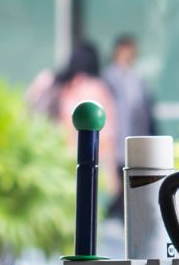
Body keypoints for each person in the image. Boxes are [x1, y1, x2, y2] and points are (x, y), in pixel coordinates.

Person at [28, 41, 122, 195]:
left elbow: (28, 112)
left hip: (49, 162)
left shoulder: (47, 81)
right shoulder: (96, 89)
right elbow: (107, 135)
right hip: (82, 161)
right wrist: (111, 175)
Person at [102, 34, 157, 141]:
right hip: (116, 135)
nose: (133, 55)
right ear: (119, 50)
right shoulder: (108, 77)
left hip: (137, 133)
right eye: (130, 51)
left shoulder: (137, 78)